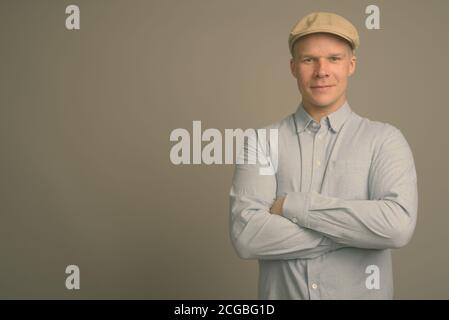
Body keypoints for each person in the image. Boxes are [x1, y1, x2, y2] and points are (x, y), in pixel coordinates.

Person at [229, 12, 418, 299]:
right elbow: (247, 238)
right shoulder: (262, 142)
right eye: (309, 60)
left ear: (351, 65)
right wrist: (356, 233)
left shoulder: (385, 140)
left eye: (334, 58)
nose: (321, 71)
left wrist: (296, 206)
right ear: (293, 67)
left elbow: (396, 228)